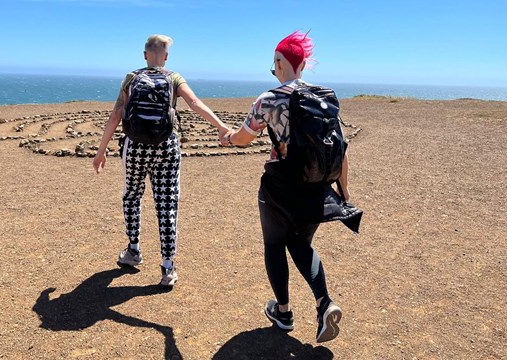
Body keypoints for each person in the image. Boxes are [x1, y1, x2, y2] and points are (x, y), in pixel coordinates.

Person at [222, 31, 362, 342]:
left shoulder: (269, 100)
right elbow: (341, 149)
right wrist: (344, 193)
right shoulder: (325, 97)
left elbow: (244, 139)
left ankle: (283, 312)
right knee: (300, 244)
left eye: (275, 62)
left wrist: (229, 137)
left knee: (274, 245)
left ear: (280, 62)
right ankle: (324, 302)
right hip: (317, 186)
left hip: (279, 186)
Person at [93, 34, 231, 287]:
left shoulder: (131, 78)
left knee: (132, 196)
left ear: (145, 54)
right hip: (167, 147)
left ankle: (133, 250)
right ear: (166, 56)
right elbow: (194, 102)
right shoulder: (174, 78)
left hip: (134, 147)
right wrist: (221, 126)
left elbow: (116, 114)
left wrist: (101, 150)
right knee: (167, 204)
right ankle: (168, 266)